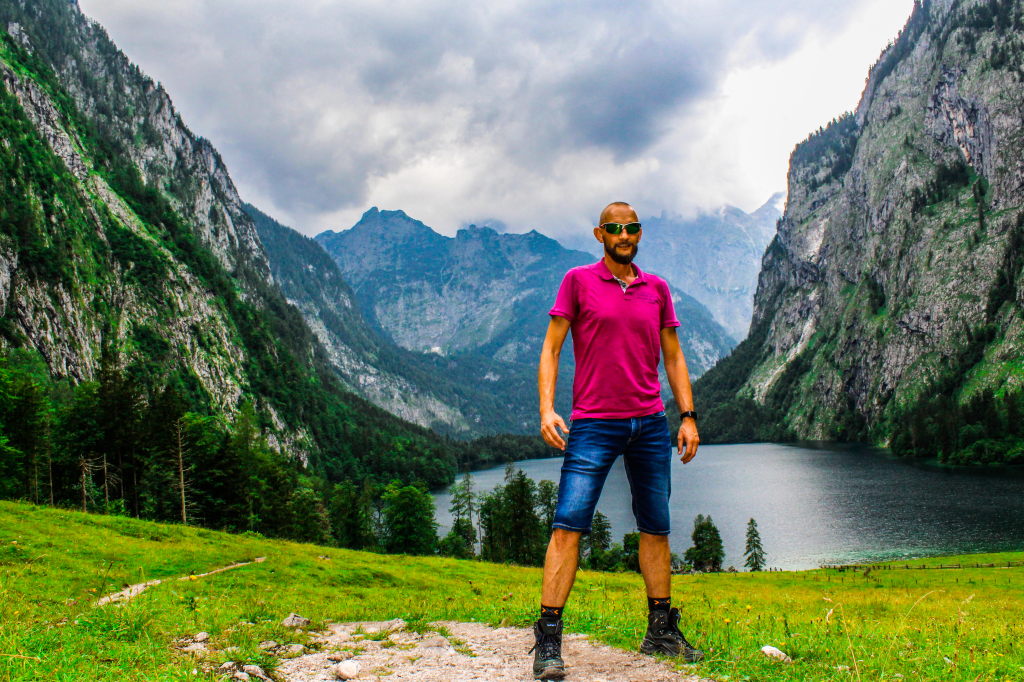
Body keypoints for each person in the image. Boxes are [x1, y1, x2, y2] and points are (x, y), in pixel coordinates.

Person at [530, 201, 702, 680]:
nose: (623, 235)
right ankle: (547, 640)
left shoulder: (657, 289)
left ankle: (661, 631)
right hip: (593, 423)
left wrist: (686, 416)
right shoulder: (578, 281)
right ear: (599, 234)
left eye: (631, 228)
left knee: (656, 527)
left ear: (639, 233)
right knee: (569, 524)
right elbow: (551, 346)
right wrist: (546, 408)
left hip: (649, 423)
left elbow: (674, 356)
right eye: (614, 228)